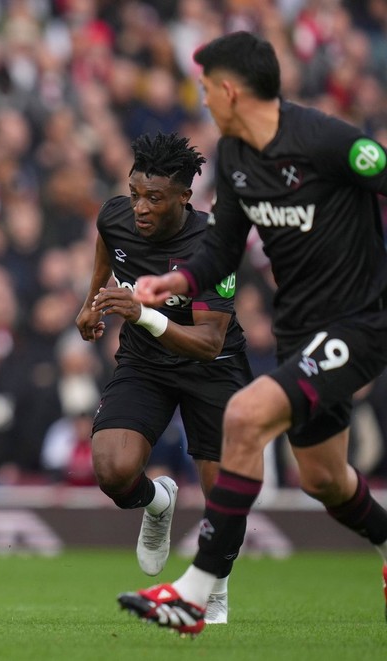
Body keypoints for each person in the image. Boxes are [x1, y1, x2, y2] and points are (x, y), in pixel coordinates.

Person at [119, 31, 387, 636]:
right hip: (300, 334)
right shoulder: (236, 156)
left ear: (231, 89)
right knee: (323, 478)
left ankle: (194, 593)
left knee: (245, 415)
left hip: (358, 324)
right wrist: (177, 281)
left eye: (207, 87)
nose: (203, 99)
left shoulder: (330, 142)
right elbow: (221, 251)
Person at [76, 132, 250, 625]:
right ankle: (159, 502)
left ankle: (211, 590)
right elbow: (107, 243)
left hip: (211, 369)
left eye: (154, 198)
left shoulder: (212, 244)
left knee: (223, 496)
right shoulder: (115, 215)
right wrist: (91, 303)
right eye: (135, 193)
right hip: (145, 362)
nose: (140, 208)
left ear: (184, 198)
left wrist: (141, 314)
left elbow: (208, 342)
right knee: (112, 472)